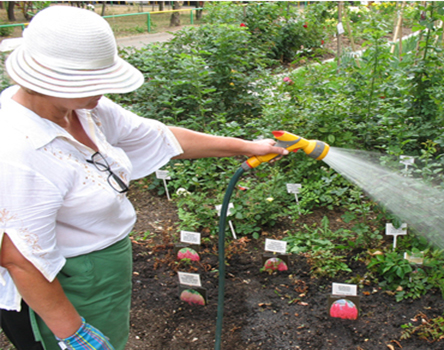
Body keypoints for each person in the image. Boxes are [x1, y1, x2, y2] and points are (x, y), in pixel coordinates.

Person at [0, 6, 288, 350]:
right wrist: (72, 333)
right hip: (60, 286)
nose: (105, 90)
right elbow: (20, 258)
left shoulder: (84, 109)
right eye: (93, 81)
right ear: (48, 80)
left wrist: (247, 146)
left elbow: (159, 136)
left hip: (101, 272)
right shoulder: (18, 149)